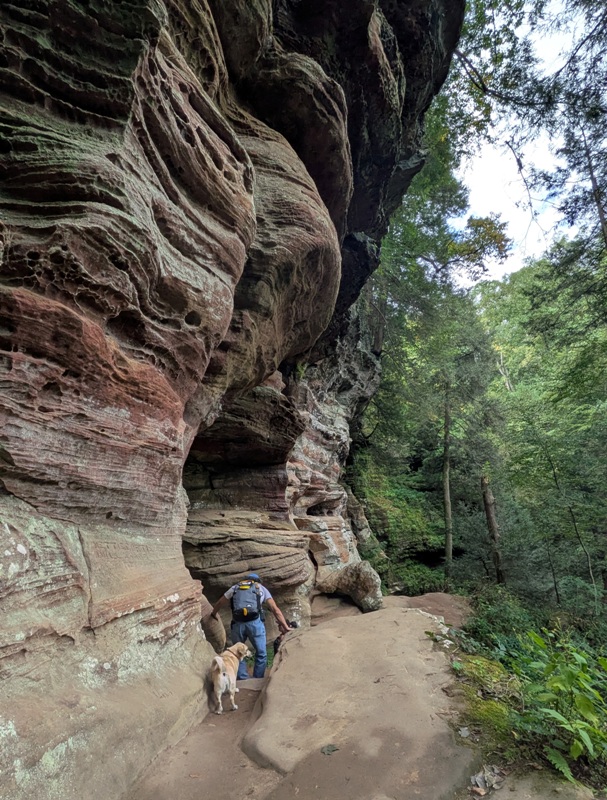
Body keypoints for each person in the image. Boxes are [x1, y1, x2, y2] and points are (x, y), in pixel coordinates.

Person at [210, 573, 290, 680]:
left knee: (237, 652)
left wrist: (213, 614)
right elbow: (275, 609)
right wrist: (286, 626)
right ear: (257, 581)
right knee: (261, 653)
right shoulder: (260, 588)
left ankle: (242, 678)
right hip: (255, 624)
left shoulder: (235, 588)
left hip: (237, 624)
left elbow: (220, 602)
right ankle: (257, 678)